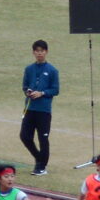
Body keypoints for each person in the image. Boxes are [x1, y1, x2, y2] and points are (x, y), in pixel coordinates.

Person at [20, 39, 60, 176]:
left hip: (44, 111)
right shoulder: (29, 69)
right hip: (30, 108)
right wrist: (28, 92)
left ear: (46, 52)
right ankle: (39, 158)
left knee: (43, 138)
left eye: (42, 51)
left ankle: (41, 167)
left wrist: (42, 93)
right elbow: (25, 86)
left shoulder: (52, 70)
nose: (39, 53)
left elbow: (55, 90)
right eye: (37, 51)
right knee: (25, 136)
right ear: (33, 52)